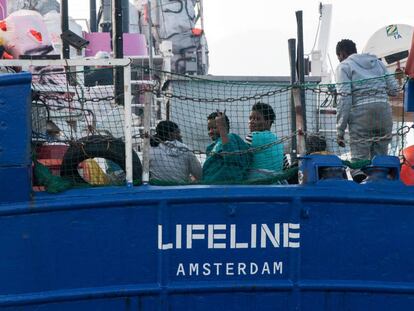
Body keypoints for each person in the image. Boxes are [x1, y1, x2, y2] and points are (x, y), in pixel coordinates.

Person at [335, 39, 399, 163]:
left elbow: (344, 99)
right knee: (380, 163)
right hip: (383, 112)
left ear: (342, 54)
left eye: (339, 57)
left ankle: (359, 177)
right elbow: (394, 90)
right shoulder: (378, 63)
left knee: (359, 163)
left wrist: (340, 130)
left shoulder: (344, 66)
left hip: (361, 116)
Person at [202, 111, 251, 183]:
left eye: (214, 128)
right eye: (209, 129)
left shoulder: (231, 137)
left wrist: (222, 130)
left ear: (225, 127)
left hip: (228, 187)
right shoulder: (210, 148)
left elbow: (232, 159)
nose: (210, 131)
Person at [246, 102, 284, 179]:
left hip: (256, 183)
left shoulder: (252, 137)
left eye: (257, 119)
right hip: (277, 184)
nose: (251, 122)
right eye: (250, 118)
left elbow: (241, 160)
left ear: (268, 122)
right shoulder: (278, 141)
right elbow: (285, 165)